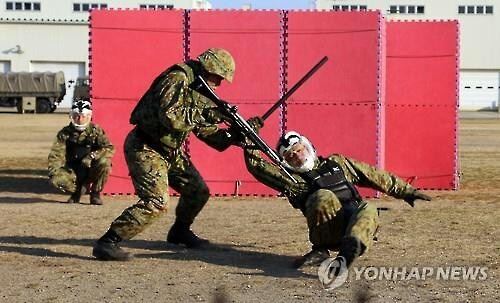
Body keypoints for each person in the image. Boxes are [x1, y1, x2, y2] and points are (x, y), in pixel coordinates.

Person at [92, 48, 239, 261]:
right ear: (209, 68)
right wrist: (208, 113)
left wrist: (234, 135)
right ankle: (108, 242)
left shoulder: (200, 87)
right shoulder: (177, 78)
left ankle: (180, 232)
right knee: (156, 202)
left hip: (169, 151)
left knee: (197, 190)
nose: (219, 83)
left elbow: (206, 132)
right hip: (146, 146)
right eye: (218, 77)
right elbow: (170, 117)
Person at [243, 128, 431, 270]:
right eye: (290, 156)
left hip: (355, 228)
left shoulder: (337, 163)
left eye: (298, 150)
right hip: (329, 233)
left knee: (368, 208)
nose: (297, 157)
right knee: (323, 196)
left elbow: (373, 175)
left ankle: (348, 254)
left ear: (307, 146)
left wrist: (406, 191)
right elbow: (258, 167)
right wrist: (247, 137)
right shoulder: (292, 181)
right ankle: (321, 251)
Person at [48, 100, 114, 205]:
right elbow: (56, 154)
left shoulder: (95, 131)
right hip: (73, 168)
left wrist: (91, 156)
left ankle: (95, 193)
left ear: (89, 116)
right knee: (57, 178)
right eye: (76, 116)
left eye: (84, 116)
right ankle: (77, 192)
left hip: (91, 167)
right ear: (71, 116)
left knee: (105, 163)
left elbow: (109, 148)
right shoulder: (64, 133)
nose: (80, 119)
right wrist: (54, 171)